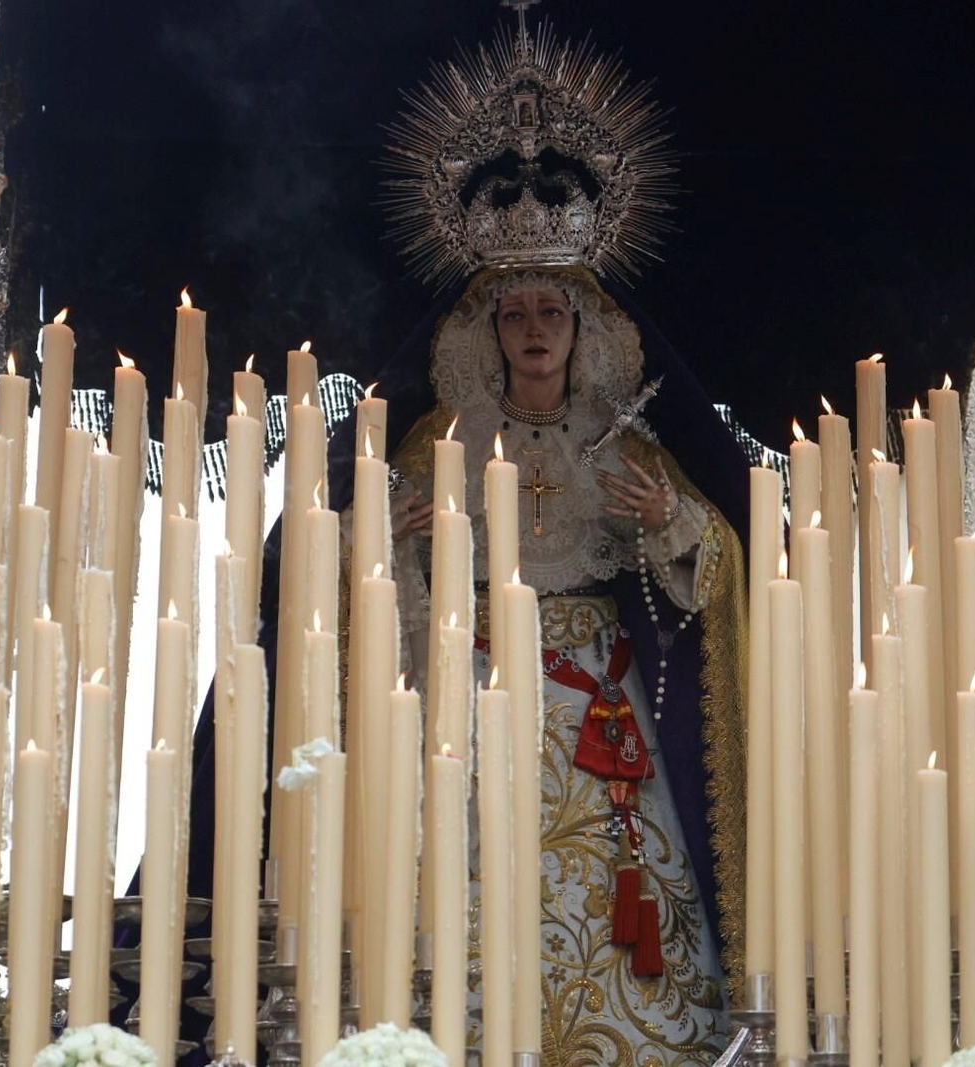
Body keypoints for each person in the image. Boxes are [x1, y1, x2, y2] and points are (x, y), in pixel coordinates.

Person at [371, 14, 750, 1063]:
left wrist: (665, 521)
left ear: (584, 328)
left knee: (619, 899)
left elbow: (715, 565)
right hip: (477, 689)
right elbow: (359, 597)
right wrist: (398, 548)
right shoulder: (433, 441)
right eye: (515, 312)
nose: (534, 326)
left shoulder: (620, 437)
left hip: (599, 694)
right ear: (485, 331)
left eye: (552, 309)